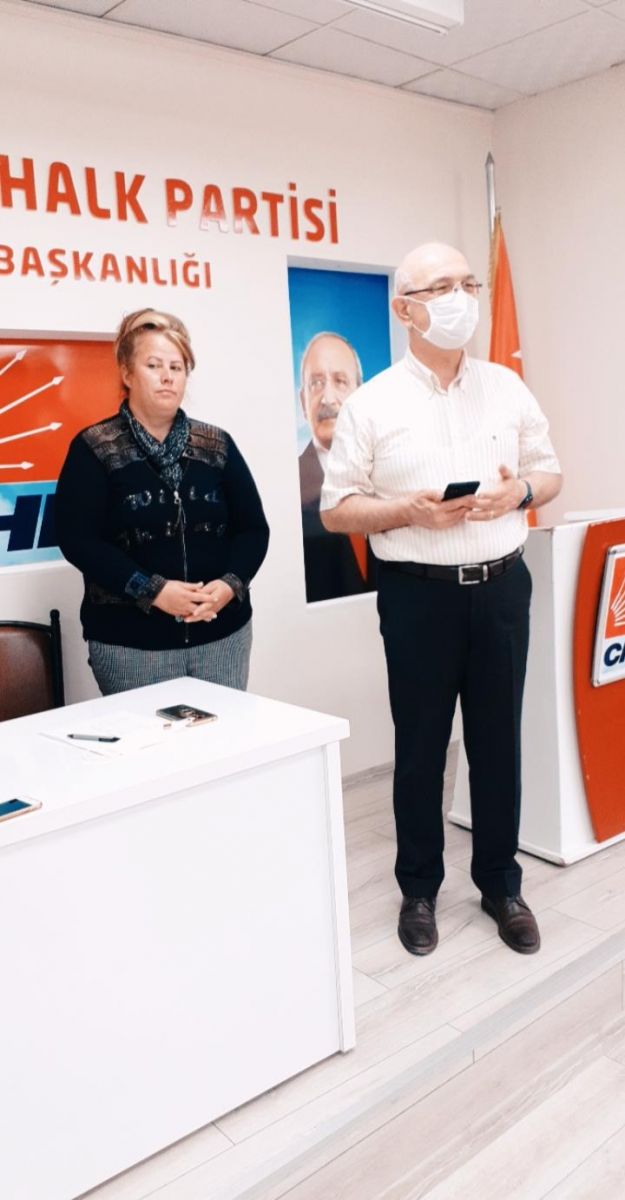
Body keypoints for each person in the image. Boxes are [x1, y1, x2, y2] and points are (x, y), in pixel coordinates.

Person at [320, 242, 562, 957]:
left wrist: (519, 492)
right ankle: (419, 890)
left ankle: (501, 884)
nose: (461, 298)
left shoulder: (507, 387)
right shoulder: (371, 404)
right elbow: (336, 510)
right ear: (405, 310)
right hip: (417, 597)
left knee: (498, 745)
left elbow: (549, 474)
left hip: (501, 588)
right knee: (421, 748)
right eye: (442, 287)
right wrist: (407, 511)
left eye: (468, 283)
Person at [55, 308, 269, 695]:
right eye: (153, 365)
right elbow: (78, 540)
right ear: (127, 373)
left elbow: (253, 530)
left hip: (221, 637)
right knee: (145, 737)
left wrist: (229, 585)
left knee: (226, 734)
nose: (167, 376)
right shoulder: (94, 448)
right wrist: (152, 591)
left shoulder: (217, 445)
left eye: (177, 367)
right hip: (131, 647)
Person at [298, 331, 374, 602]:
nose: (327, 397)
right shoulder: (292, 485)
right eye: (316, 383)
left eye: (340, 381)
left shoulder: (388, 473)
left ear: (360, 394)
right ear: (303, 401)